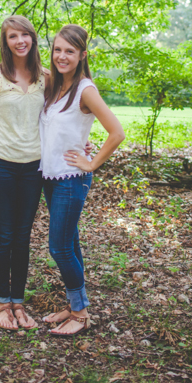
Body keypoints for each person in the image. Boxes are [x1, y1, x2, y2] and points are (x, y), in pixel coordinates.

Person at [39, 24, 124, 336]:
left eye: (69, 52)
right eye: (58, 50)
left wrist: (91, 164)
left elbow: (117, 133)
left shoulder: (85, 89)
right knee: (69, 242)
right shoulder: (54, 85)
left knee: (59, 248)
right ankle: (75, 304)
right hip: (50, 177)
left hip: (72, 179)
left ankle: (81, 313)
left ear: (82, 55)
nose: (62, 56)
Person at [0, 15, 46, 330]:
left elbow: (64, 115)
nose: (20, 41)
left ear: (32, 38)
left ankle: (18, 303)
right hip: (0, 164)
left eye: (25, 35)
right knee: (4, 236)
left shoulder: (46, 77)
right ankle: (2, 303)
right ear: (6, 42)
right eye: (13, 36)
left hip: (34, 167)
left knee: (22, 236)